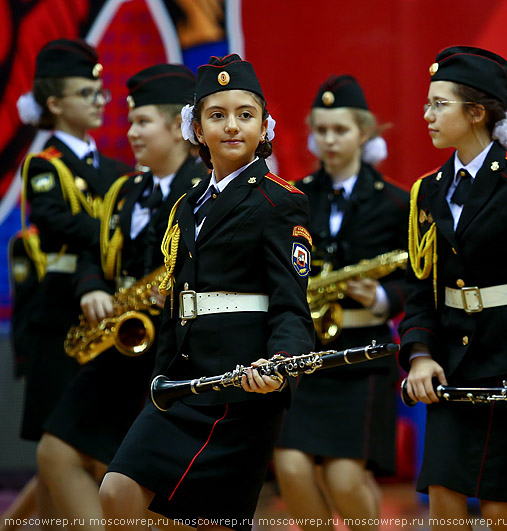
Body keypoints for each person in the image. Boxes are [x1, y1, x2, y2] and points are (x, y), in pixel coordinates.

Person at [98, 54, 315, 531]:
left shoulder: (281, 201)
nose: (232, 126)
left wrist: (281, 367)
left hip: (243, 386)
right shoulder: (185, 206)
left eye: (245, 114)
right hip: (181, 384)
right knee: (117, 491)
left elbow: (291, 307)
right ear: (195, 127)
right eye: (217, 115)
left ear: (265, 126)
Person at [399, 46, 507, 530]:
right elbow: (421, 287)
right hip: (452, 365)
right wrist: (419, 353)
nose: (427, 114)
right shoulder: (426, 190)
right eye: (428, 102)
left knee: (502, 512)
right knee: (444, 502)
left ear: (476, 113)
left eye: (439, 103)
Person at [34, 63, 204, 531]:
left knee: (147, 487)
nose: (130, 133)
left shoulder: (204, 195)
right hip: (120, 345)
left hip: (172, 356)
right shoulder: (123, 191)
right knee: (56, 450)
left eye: (142, 122)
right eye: (129, 122)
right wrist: (91, 287)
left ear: (177, 127)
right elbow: (95, 252)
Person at [274, 75, 408, 530]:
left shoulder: (395, 202)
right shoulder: (294, 197)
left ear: (365, 132)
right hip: (306, 353)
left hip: (364, 355)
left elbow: (418, 276)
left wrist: (386, 297)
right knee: (290, 466)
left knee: (345, 477)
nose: (329, 140)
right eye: (321, 130)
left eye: (341, 130)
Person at [16, 38, 130, 529]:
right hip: (61, 312)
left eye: (101, 92)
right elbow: (57, 220)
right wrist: (119, 230)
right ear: (56, 103)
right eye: (87, 93)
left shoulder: (116, 169)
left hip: (108, 314)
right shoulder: (45, 165)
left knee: (81, 445)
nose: (99, 101)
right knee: (55, 444)